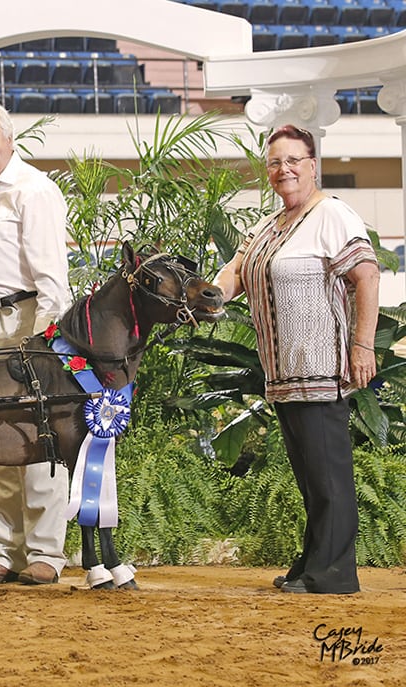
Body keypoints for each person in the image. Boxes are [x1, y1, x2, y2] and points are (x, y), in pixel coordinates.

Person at [216, 124, 379, 595]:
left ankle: (333, 575)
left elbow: (366, 277)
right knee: (311, 477)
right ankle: (312, 562)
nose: (282, 169)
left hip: (321, 366)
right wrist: (207, 297)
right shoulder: (272, 224)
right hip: (283, 371)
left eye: (292, 160)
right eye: (273, 162)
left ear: (312, 165)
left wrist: (362, 345)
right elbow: (236, 273)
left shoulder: (332, 215)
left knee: (328, 476)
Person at [0, 102, 73, 586]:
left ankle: (46, 553)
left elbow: (53, 281)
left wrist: (42, 347)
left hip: (22, 326)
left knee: (36, 437)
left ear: (9, 138)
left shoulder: (34, 190)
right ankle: (4, 551)